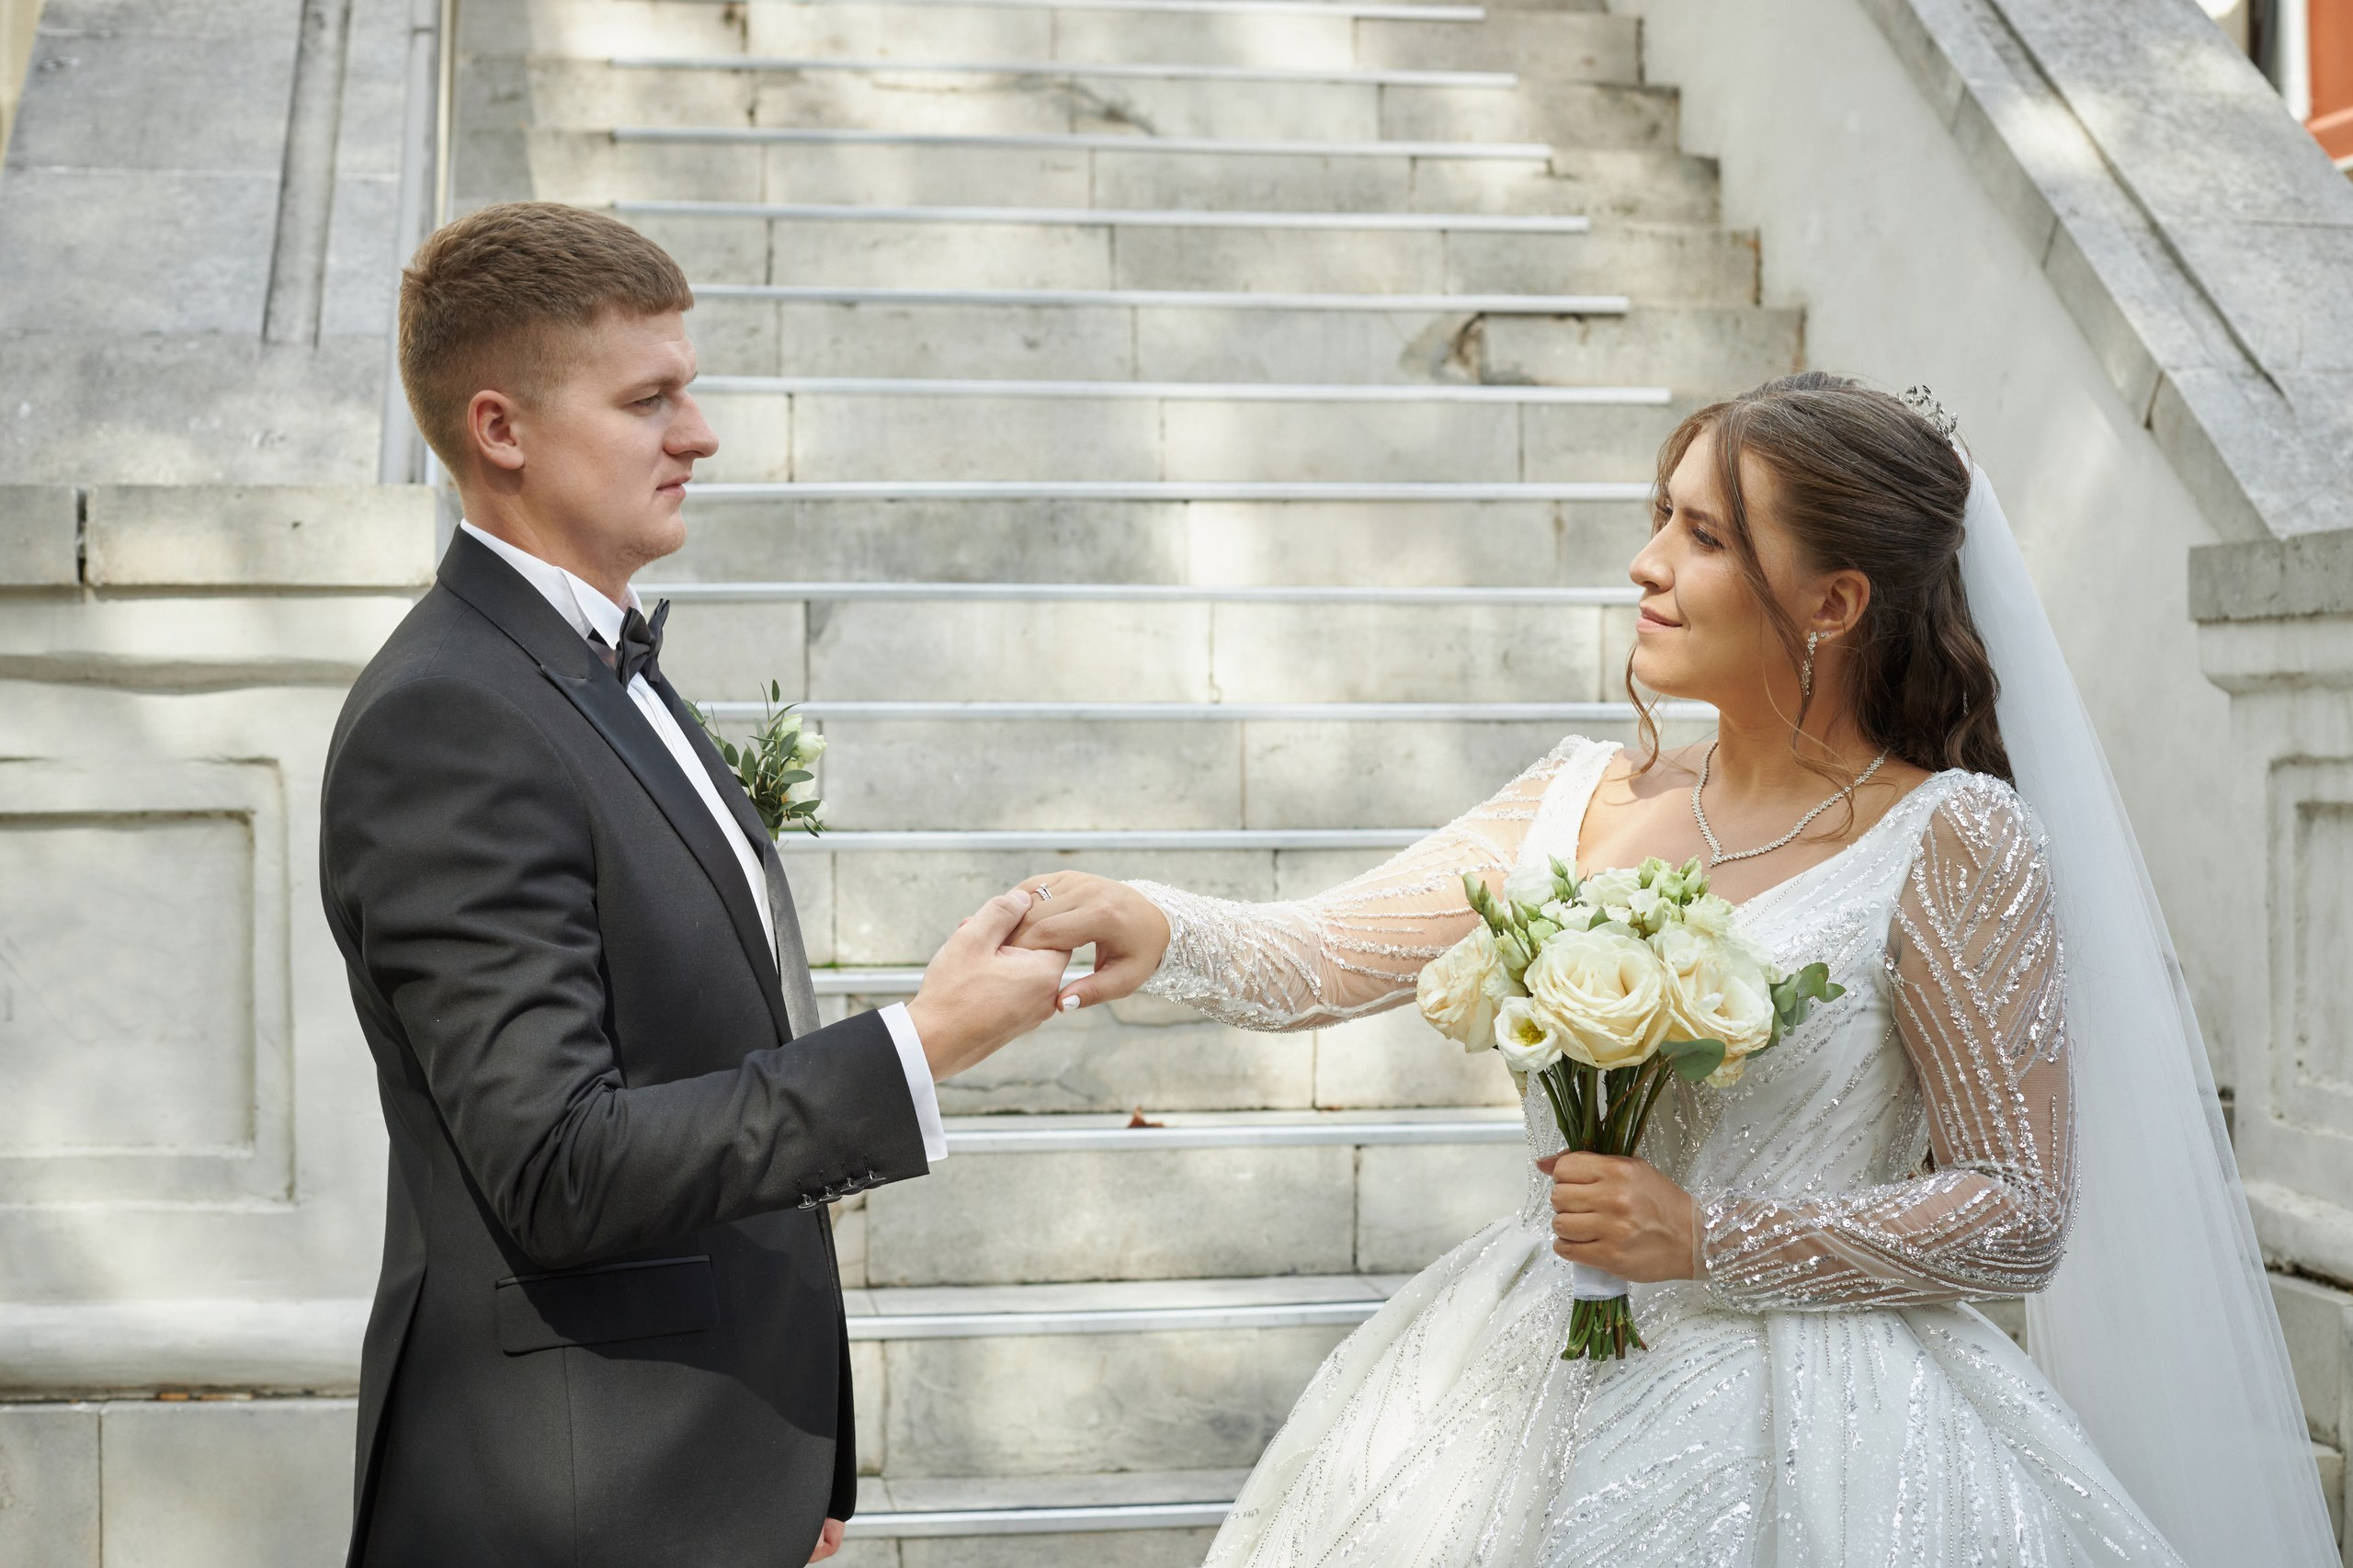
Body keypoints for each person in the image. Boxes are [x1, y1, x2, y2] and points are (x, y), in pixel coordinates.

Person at [1008, 374, 2336, 1566]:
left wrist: (1713, 1241)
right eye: (1665, 516)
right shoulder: (1578, 793)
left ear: (1834, 601)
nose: (1646, 563)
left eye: (1706, 536)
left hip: (1835, 1430)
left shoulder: (1953, 837)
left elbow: (2019, 1207)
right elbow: (1317, 954)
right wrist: (1159, 926)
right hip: (1517, 1380)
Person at [319, 201, 1071, 1567]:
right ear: (501, 428)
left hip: (691, 1483)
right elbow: (558, 1164)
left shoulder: (600, 667)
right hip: (572, 1502)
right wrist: (922, 1043)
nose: (699, 432)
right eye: (650, 396)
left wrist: (782, 1476)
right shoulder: (448, 720)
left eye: (693, 389)